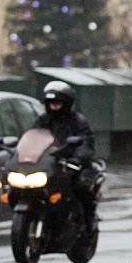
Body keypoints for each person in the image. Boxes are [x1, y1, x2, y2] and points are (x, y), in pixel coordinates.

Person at [33, 80, 100, 232]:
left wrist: (77, 158)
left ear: (67, 103)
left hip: (71, 165)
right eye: (51, 102)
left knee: (81, 186)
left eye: (58, 102)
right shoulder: (42, 121)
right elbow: (32, 138)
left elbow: (87, 144)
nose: (54, 105)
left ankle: (90, 220)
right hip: (49, 164)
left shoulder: (77, 121)